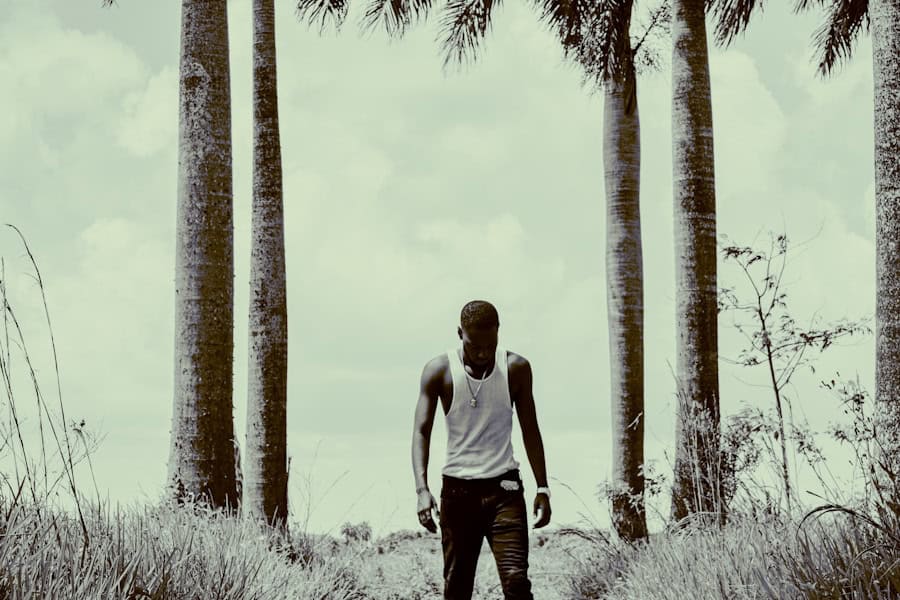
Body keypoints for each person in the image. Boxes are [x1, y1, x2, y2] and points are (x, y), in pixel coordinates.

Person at [412, 300, 551, 600]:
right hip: (457, 493)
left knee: (516, 583)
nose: (483, 353)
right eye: (475, 345)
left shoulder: (516, 369)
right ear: (460, 333)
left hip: (505, 489)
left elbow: (531, 430)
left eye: (490, 344)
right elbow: (421, 431)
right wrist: (421, 489)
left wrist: (543, 487)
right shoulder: (439, 371)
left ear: (499, 332)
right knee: (457, 587)